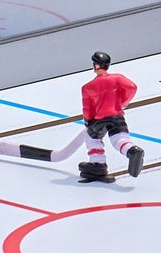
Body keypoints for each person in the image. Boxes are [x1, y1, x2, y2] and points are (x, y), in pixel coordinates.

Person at [49, 49, 142, 181]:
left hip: (100, 120)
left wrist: (88, 122)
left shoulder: (88, 87)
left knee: (91, 139)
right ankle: (131, 150)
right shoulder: (117, 78)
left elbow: (87, 109)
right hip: (117, 116)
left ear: (95, 66)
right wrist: (122, 103)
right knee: (119, 138)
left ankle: (98, 164)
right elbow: (132, 87)